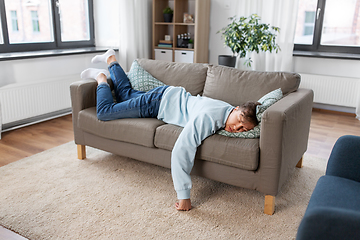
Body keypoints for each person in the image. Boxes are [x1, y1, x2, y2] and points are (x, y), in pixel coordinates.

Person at [81, 49, 260, 211]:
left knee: (125, 94)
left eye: (244, 129)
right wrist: (184, 196)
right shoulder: (210, 118)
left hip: (165, 96)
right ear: (236, 109)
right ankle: (102, 78)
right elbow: (182, 148)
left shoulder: (226, 109)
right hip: (157, 103)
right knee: (105, 112)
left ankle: (111, 59)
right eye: (239, 122)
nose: (236, 129)